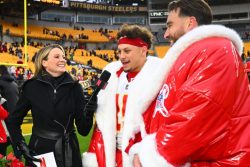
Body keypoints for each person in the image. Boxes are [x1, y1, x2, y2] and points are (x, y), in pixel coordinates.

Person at [120, 0, 250, 166]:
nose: (165, 34)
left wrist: (152, 155)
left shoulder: (216, 50)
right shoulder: (192, 55)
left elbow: (198, 111)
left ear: (190, 23)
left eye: (170, 25)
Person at [82, 24, 161, 167]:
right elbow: (102, 123)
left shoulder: (159, 79)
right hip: (112, 153)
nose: (121, 56)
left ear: (143, 50)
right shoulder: (113, 76)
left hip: (140, 154)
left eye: (127, 51)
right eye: (119, 51)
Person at [6, 44, 96, 167]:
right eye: (57, 56)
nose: (62, 60)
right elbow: (13, 121)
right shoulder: (31, 87)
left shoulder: (75, 88)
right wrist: (20, 145)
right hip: (40, 151)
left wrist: (90, 111)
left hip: (69, 152)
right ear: (44, 62)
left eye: (63, 57)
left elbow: (84, 130)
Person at [0, 65, 19, 155]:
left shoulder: (1, 83)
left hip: (6, 114)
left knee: (7, 136)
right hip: (16, 112)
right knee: (16, 135)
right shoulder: (14, 82)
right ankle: (19, 153)